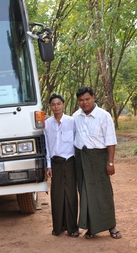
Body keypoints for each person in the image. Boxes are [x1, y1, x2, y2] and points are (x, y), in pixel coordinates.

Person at [72, 86, 122, 239]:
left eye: (87, 99)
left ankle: (111, 226)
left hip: (99, 159)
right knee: (85, 193)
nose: (84, 103)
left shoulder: (104, 116)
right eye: (81, 100)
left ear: (93, 97)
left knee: (103, 193)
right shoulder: (75, 117)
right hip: (81, 159)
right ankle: (91, 228)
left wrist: (110, 163)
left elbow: (110, 141)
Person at [44, 93, 79, 237]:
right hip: (55, 162)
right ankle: (58, 227)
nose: (56, 107)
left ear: (63, 105)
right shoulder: (47, 124)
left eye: (59, 104)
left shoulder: (72, 121)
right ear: (50, 106)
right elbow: (46, 146)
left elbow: (78, 141)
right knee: (57, 195)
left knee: (70, 194)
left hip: (70, 161)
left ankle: (73, 228)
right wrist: (48, 165)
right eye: (53, 104)